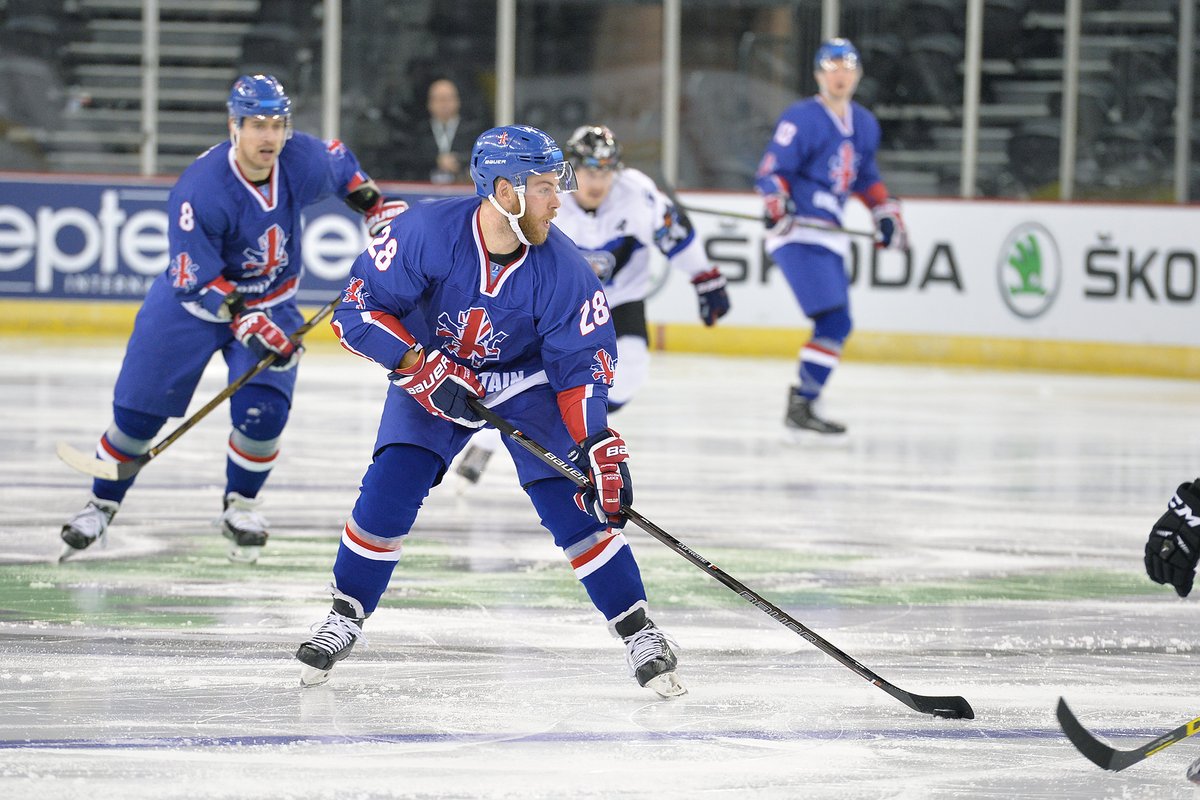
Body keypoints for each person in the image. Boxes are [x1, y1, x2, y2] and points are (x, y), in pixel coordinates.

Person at [293, 124, 685, 699]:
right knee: (389, 487)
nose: (560, 199)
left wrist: (596, 442)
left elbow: (578, 369)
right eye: (548, 186)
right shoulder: (426, 232)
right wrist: (415, 365)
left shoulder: (566, 269)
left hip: (525, 382)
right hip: (434, 370)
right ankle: (345, 613)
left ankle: (637, 629)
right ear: (506, 191)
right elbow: (356, 311)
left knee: (571, 499)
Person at [57, 74, 406, 564]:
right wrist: (241, 317)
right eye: (256, 125)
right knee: (138, 415)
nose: (269, 136)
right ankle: (101, 503)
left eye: (277, 124)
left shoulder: (299, 158)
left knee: (263, 415)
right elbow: (193, 276)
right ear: (233, 126)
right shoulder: (200, 189)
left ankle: (239, 505)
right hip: (190, 308)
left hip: (273, 300)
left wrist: (375, 208)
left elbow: (343, 167)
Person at [453, 123, 730, 486]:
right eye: (588, 170)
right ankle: (489, 441)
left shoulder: (637, 195)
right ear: (572, 169)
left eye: (605, 170)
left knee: (630, 373)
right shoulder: (547, 195)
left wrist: (704, 279)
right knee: (529, 376)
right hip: (559, 305)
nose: (597, 181)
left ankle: (572, 427)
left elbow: (677, 234)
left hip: (618, 301)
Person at [754, 37, 908, 436]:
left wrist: (883, 211)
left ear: (857, 73)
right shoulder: (801, 118)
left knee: (837, 323)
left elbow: (866, 178)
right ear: (819, 74)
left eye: (847, 67)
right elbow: (772, 171)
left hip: (829, 234)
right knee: (835, 320)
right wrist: (777, 204)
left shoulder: (865, 123)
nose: (840, 75)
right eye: (831, 67)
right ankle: (803, 402)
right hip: (799, 233)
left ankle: (804, 401)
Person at [396, 77, 476, 185]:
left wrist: (459, 161)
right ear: (430, 103)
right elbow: (407, 159)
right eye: (439, 99)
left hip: (461, 190)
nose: (444, 104)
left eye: (448, 99)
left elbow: (478, 157)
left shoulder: (471, 130)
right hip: (424, 190)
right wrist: (436, 161)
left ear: (457, 101)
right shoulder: (418, 131)